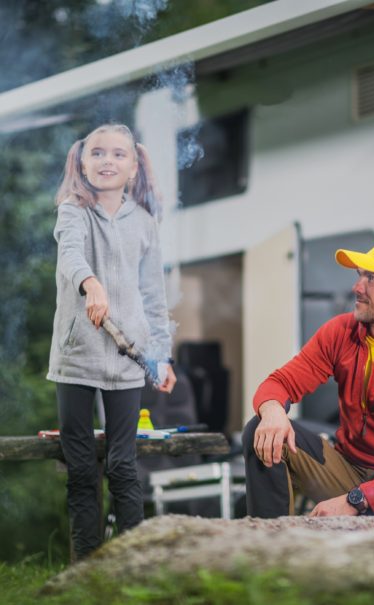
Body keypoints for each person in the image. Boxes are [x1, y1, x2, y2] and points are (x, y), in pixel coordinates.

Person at [242, 240, 374, 517]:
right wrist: (272, 411)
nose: (357, 286)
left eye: (372, 279)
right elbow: (280, 383)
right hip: (346, 468)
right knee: (260, 430)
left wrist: (357, 499)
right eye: (359, 276)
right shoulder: (340, 332)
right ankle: (272, 543)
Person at [47, 123, 177, 559]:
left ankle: (132, 564)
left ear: (134, 167)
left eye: (119, 154)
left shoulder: (143, 222)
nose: (108, 161)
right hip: (77, 358)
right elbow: (70, 255)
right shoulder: (72, 210)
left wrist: (162, 356)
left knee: (123, 467)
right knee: (82, 469)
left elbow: (153, 296)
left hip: (128, 360)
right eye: (98, 153)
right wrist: (92, 286)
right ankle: (87, 569)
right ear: (82, 163)